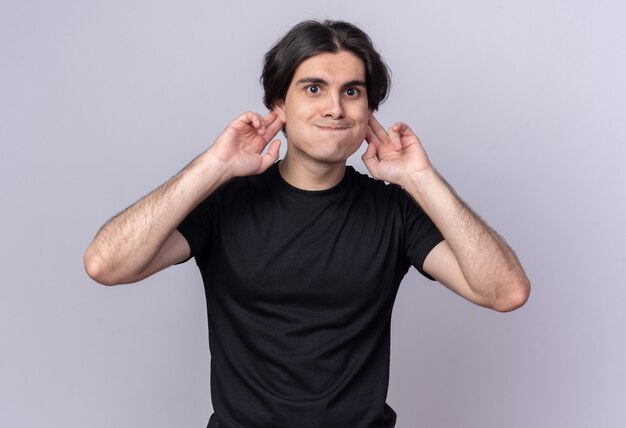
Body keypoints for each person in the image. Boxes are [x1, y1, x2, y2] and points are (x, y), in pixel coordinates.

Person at [84, 19, 530, 428]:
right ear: (279, 103)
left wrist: (420, 179)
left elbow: (505, 292)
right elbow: (107, 264)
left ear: (368, 110)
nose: (335, 108)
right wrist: (213, 166)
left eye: (351, 92)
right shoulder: (224, 203)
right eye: (314, 89)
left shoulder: (394, 210)